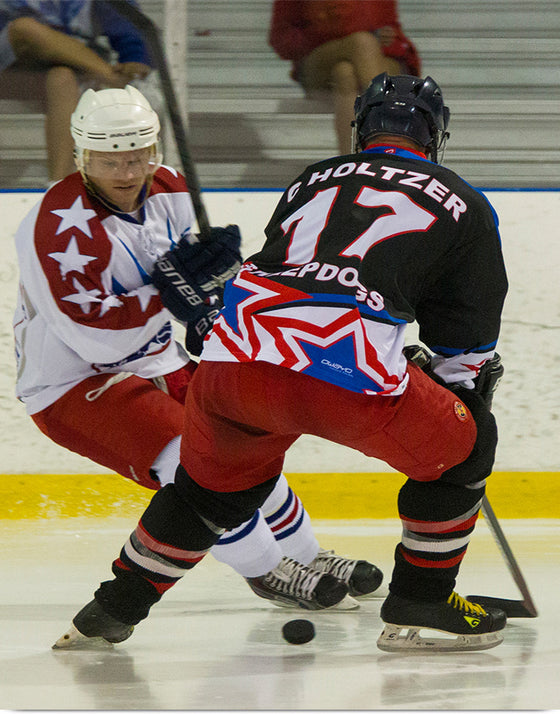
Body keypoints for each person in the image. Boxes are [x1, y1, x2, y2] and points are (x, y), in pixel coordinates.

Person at [53, 73, 509, 653]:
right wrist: (459, 388)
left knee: (206, 493)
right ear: (436, 137)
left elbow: (296, 271)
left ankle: (107, 613)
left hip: (232, 364)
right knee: (465, 451)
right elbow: (464, 329)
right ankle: (424, 601)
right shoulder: (463, 199)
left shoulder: (312, 179)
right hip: (343, 376)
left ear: (359, 129)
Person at [12, 83, 384, 617]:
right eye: (107, 158)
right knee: (194, 462)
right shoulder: (56, 227)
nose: (125, 170)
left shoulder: (168, 189)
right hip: (76, 383)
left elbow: (187, 282)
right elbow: (93, 337)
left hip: (161, 362)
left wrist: (214, 277)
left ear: (154, 149)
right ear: (80, 154)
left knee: (250, 450)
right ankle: (267, 571)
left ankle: (310, 556)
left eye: (135, 154)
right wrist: (168, 293)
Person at [0, 0, 155, 182]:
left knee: (62, 78)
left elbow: (125, 19)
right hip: (9, 68)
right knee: (25, 29)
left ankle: (57, 185)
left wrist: (134, 58)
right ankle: (114, 79)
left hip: (68, 68)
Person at [268, 0, 421, 153]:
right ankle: (392, 145)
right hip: (319, 61)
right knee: (362, 42)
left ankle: (353, 164)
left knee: (344, 73)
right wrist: (329, 32)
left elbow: (391, 28)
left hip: (375, 57)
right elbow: (281, 38)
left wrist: (386, 37)